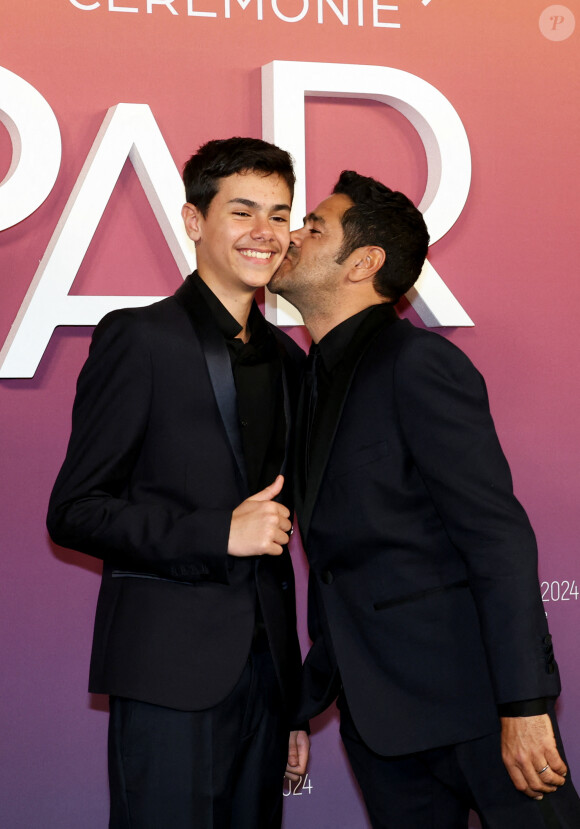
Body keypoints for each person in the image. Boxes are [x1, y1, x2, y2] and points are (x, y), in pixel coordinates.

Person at [269, 170, 580, 828]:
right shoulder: (310, 383)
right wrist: (305, 701)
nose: (291, 236)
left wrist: (524, 706)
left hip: (477, 708)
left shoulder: (418, 364)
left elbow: (497, 535)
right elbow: (340, 569)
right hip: (381, 724)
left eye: (313, 227)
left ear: (365, 262)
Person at [47, 136, 309, 829]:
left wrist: (292, 700)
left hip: (264, 680)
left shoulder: (288, 359)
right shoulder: (140, 338)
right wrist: (217, 533)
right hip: (167, 673)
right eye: (243, 211)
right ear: (195, 221)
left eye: (280, 215)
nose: (265, 233)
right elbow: (75, 510)